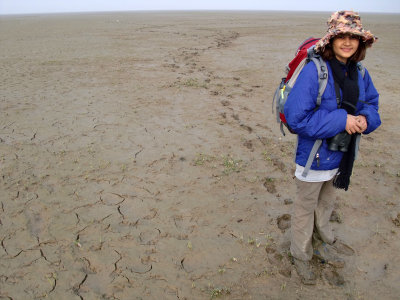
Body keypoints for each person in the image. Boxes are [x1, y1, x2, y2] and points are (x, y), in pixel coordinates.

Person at [283, 11, 381, 284]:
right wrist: (343, 119)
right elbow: (296, 118)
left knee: (328, 200)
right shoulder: (315, 70)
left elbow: (371, 103)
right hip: (313, 156)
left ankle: (324, 234)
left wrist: (365, 119)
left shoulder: (359, 71)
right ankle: (300, 254)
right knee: (305, 206)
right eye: (342, 36)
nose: (348, 42)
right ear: (331, 40)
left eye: (354, 37)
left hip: (341, 154)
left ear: (361, 43)